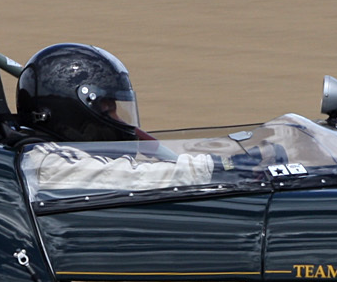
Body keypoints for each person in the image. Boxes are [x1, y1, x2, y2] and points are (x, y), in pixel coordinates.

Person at [14, 43, 267, 195]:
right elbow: (135, 177)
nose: (119, 121)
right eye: (108, 109)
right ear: (74, 112)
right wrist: (219, 167)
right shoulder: (45, 163)